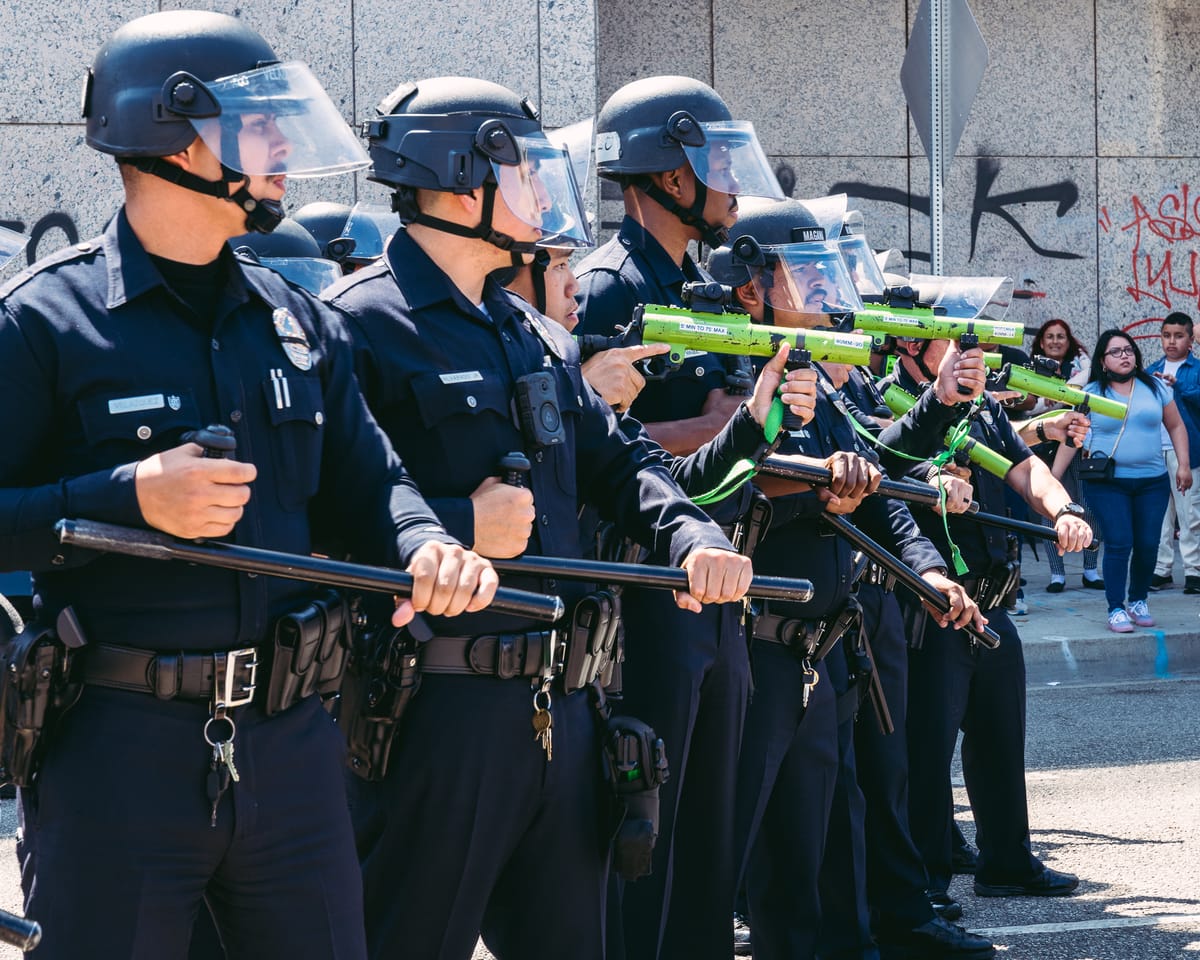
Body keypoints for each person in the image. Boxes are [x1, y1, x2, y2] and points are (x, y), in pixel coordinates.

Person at [0, 13, 500, 959]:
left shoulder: (297, 321)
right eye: (259, 122)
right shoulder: (44, 322)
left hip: (293, 748)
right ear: (179, 136)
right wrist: (123, 496)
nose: (282, 146)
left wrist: (424, 543)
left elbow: (373, 480)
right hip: (117, 750)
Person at [322, 75, 756, 960]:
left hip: (564, 704)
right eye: (522, 170)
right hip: (434, 713)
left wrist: (690, 531)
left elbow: (618, 457)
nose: (542, 193)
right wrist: (451, 524)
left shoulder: (529, 333)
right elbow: (317, 509)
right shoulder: (358, 326)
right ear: (456, 177)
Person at [705, 197, 993, 960]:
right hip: (756, 645)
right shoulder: (732, 372)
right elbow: (716, 481)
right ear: (751, 287)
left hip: (820, 648)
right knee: (733, 856)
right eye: (805, 273)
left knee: (829, 841)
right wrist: (807, 477)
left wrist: (936, 408)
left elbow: (879, 474)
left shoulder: (812, 376)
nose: (830, 292)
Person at [574, 75, 784, 960]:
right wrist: (731, 427)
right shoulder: (607, 289)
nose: (733, 186)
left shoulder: (698, 283)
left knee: (709, 831)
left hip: (715, 576)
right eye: (715, 165)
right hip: (643, 591)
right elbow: (588, 447)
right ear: (663, 176)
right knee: (645, 836)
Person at [885, 335, 1092, 903]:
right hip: (934, 606)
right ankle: (924, 888)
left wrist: (1064, 509)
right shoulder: (889, 401)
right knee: (926, 753)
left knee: (1001, 741)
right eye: (951, 344)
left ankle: (1006, 861)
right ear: (911, 348)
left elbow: (1026, 471)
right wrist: (933, 483)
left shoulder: (983, 407)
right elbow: (892, 479)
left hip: (993, 602)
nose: (966, 355)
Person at [1054, 329, 1192, 632]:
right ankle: (1116, 607)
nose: (1125, 356)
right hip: (1108, 483)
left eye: (1128, 350)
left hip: (1152, 482)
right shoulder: (1090, 392)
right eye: (1116, 352)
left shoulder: (1155, 387)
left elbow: (1176, 425)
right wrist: (1051, 479)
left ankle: (1138, 599)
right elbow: (1071, 438)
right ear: (1103, 360)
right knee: (1119, 542)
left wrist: (1183, 465)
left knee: (1148, 544)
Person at [1147, 312, 1200, 594]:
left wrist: (1179, 385)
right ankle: (1161, 569)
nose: (1172, 341)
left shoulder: (1196, 368)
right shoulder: (1151, 369)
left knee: (1190, 514)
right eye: (1167, 335)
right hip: (1155, 450)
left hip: (1187, 452)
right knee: (1160, 516)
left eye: (1179, 336)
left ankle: (1194, 571)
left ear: (1191, 340)